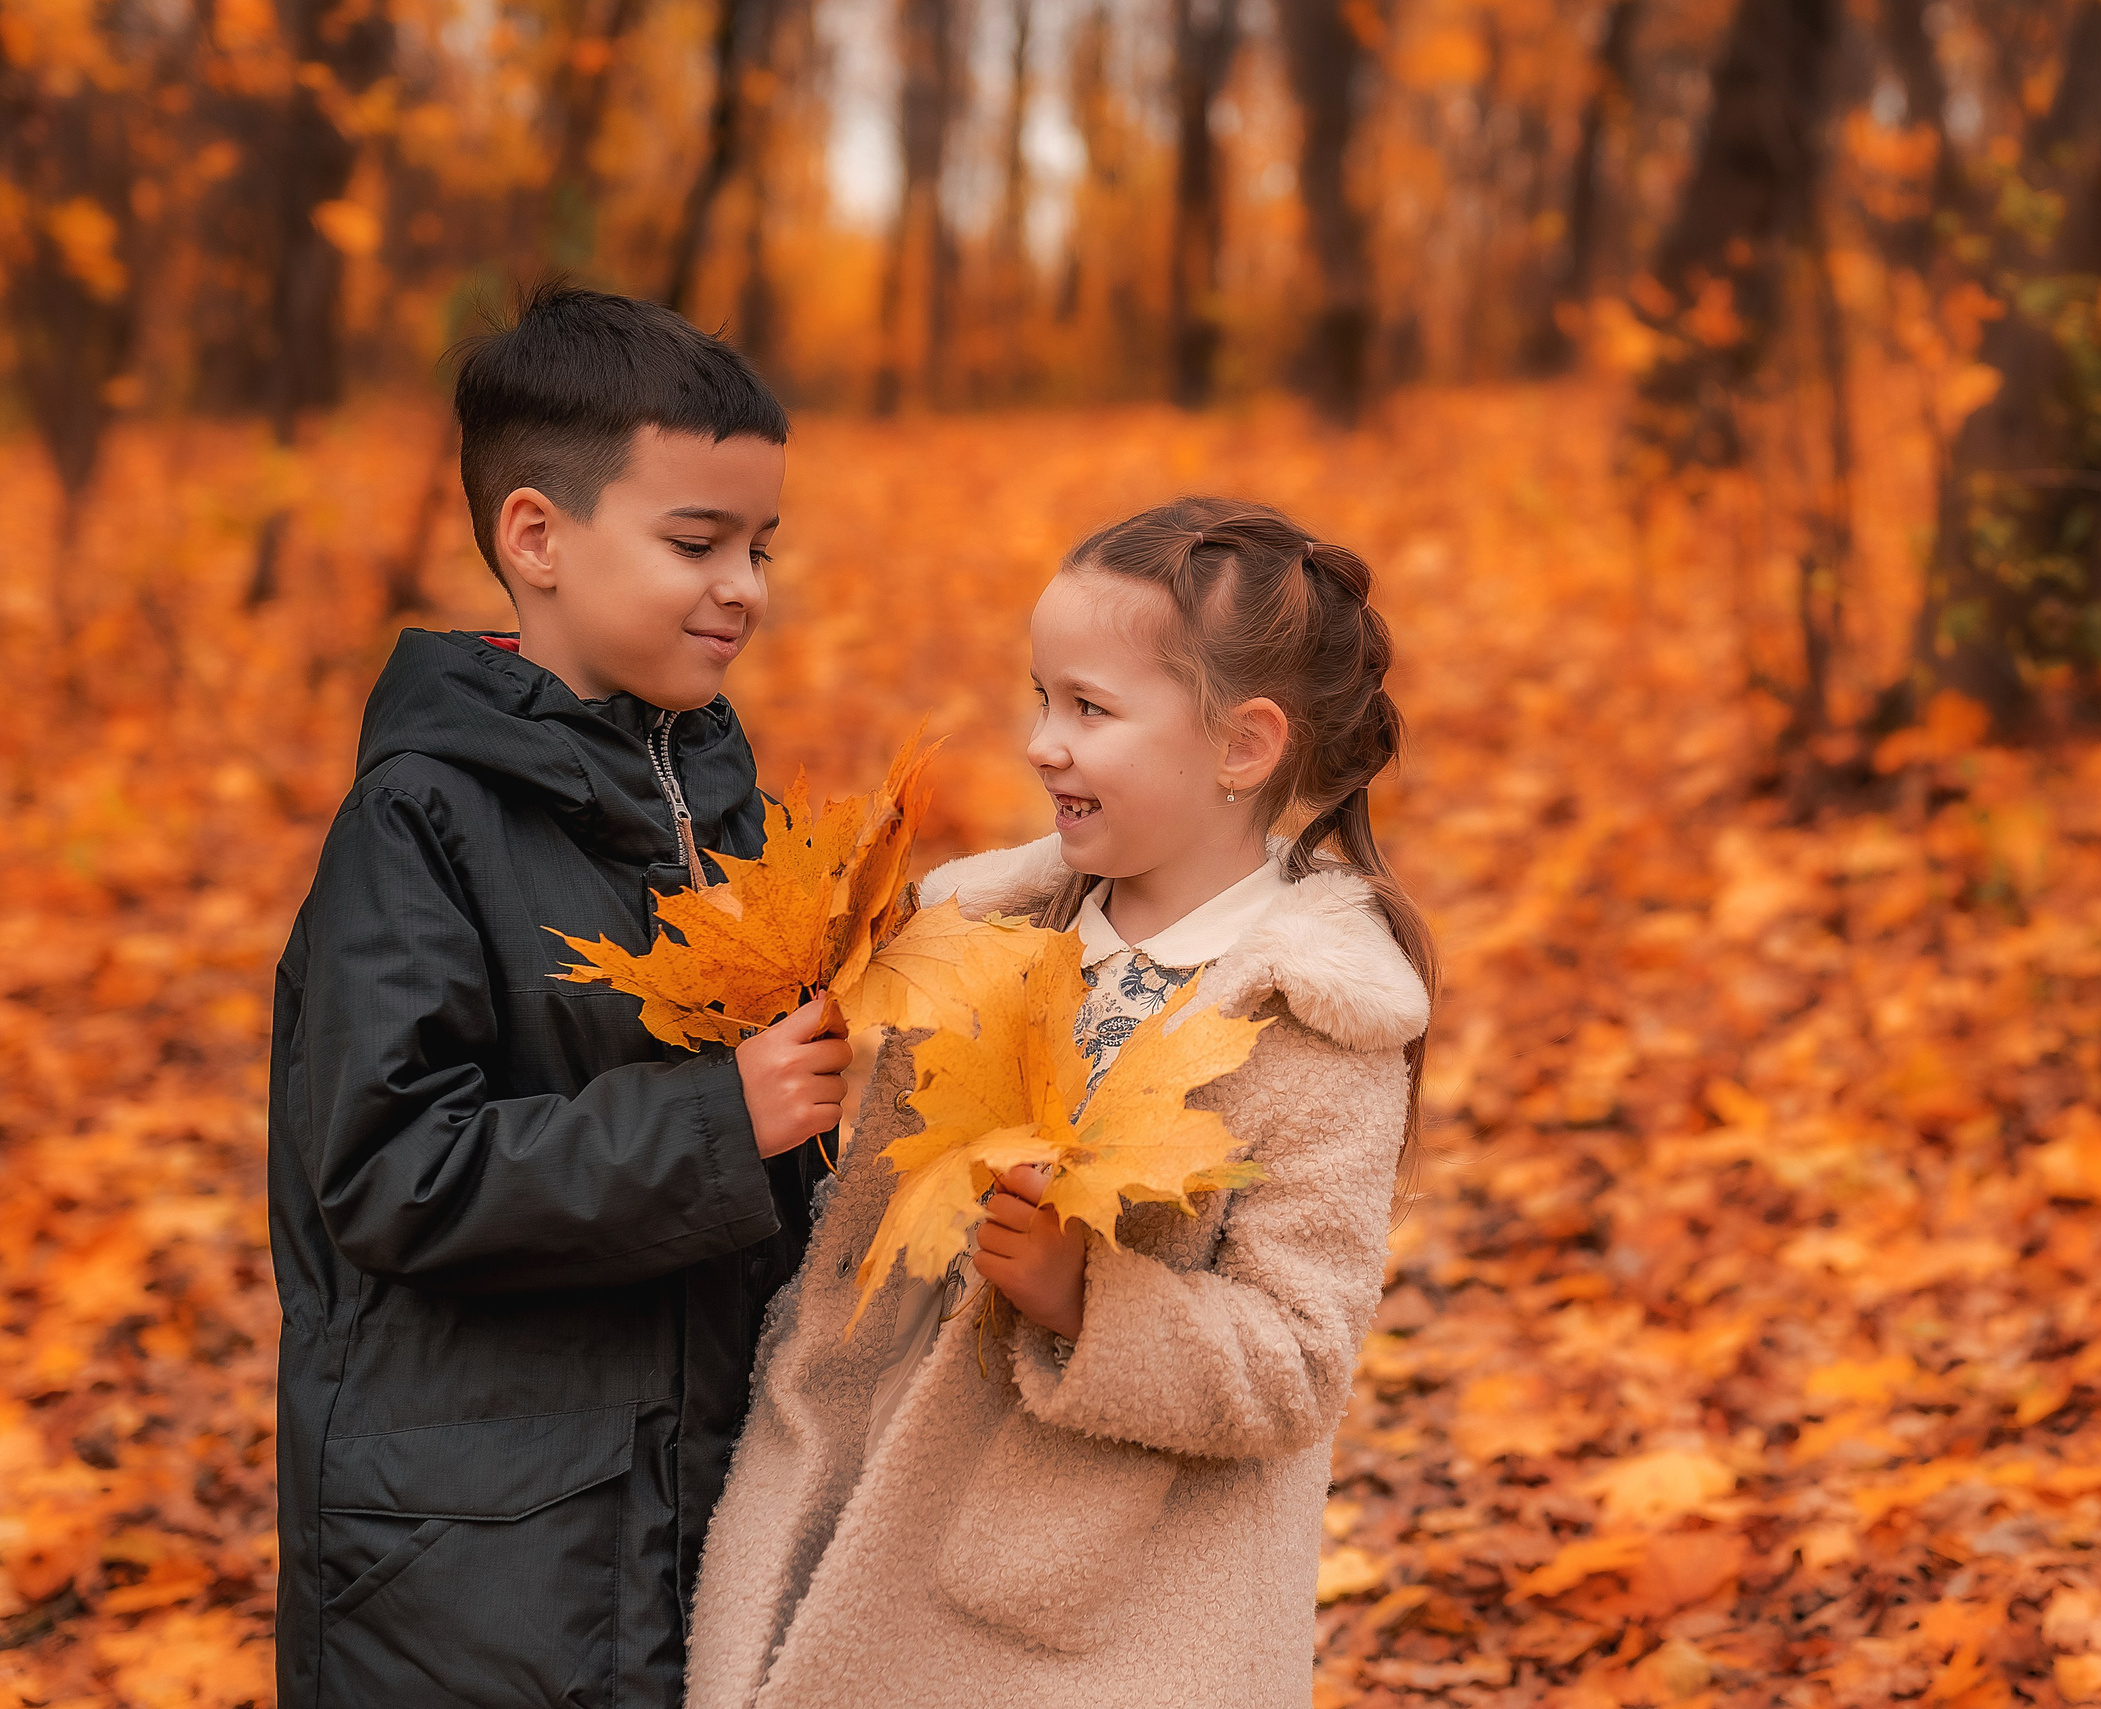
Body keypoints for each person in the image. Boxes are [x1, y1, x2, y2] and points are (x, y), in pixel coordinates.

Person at [687, 498, 1438, 1709]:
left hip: (1086, 1615)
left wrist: (1089, 1300)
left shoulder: (1312, 1024)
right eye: (1041, 697)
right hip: (844, 1502)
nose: (1043, 740)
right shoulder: (979, 931)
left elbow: (1299, 1360)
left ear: (1243, 746)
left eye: (1089, 709)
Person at [266, 283, 853, 1707]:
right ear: (536, 537)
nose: (744, 587)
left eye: (760, 546)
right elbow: (385, 1167)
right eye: (696, 542)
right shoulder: (420, 824)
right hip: (479, 1562)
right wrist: (723, 1124)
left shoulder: (722, 809)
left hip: (687, 1494)